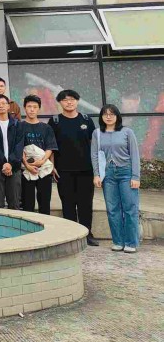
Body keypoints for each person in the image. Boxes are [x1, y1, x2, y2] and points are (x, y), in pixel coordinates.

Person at [49, 89, 99, 246]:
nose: (69, 102)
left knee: (85, 203)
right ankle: (71, 235)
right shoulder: (55, 121)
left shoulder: (86, 120)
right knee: (68, 204)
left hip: (85, 170)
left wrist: (96, 169)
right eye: (65, 100)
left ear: (77, 101)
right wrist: (52, 166)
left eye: (72, 99)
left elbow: (94, 145)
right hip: (63, 170)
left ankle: (87, 233)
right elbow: (51, 146)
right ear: (60, 102)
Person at [91, 105, 141, 253]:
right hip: (108, 174)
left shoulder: (127, 132)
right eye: (105, 114)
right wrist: (96, 174)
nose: (108, 117)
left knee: (130, 208)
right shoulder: (97, 133)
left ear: (117, 116)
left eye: (112, 114)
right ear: (101, 117)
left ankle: (131, 242)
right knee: (112, 209)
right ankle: (118, 241)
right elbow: (94, 155)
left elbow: (135, 155)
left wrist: (135, 176)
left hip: (126, 172)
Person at [0, 94, 25, 210]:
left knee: (15, 203)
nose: (1, 106)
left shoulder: (17, 124)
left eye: (4, 103)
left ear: (8, 106)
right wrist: (3, 163)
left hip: (14, 167)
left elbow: (19, 146)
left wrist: (10, 163)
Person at [21, 95, 58, 215]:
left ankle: (45, 230)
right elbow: (18, 147)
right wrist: (27, 165)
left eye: (35, 107)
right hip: (26, 170)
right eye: (29, 106)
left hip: (44, 169)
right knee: (28, 203)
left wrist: (42, 161)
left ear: (39, 109)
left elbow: (50, 147)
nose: (32, 109)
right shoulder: (19, 127)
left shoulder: (46, 127)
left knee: (44, 202)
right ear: (24, 108)